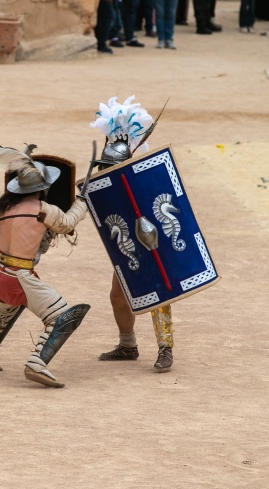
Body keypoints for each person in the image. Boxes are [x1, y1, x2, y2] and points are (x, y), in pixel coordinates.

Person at [0, 143, 91, 388]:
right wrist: (83, 201)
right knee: (61, 316)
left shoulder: (6, 207)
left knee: (1, 315)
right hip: (18, 277)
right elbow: (67, 223)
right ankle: (36, 363)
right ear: (43, 188)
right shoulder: (44, 210)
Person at [89, 96, 174, 373]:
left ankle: (165, 349)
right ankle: (128, 345)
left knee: (159, 294)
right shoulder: (106, 186)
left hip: (153, 243)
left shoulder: (143, 180)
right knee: (118, 296)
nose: (104, 170)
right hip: (127, 245)